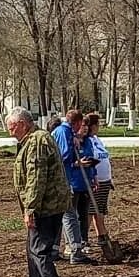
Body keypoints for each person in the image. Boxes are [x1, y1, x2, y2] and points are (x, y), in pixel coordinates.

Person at [7, 107, 71, 277]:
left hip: (46, 206)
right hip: (50, 204)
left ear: (23, 124)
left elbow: (36, 178)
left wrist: (30, 209)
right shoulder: (35, 139)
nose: (10, 133)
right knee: (32, 248)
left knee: (39, 250)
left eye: (11, 128)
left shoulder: (35, 142)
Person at [52, 109, 98, 265]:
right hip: (64, 180)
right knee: (70, 216)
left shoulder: (62, 132)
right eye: (81, 124)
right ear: (77, 122)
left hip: (61, 179)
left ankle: (53, 249)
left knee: (59, 216)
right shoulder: (64, 132)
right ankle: (76, 252)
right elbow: (63, 155)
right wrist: (74, 158)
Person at [84, 112, 114, 243]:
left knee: (100, 210)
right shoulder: (86, 141)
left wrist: (110, 178)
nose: (99, 127)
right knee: (90, 211)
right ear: (93, 126)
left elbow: (104, 157)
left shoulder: (97, 139)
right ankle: (82, 240)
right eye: (98, 124)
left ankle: (101, 235)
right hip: (94, 181)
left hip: (105, 181)